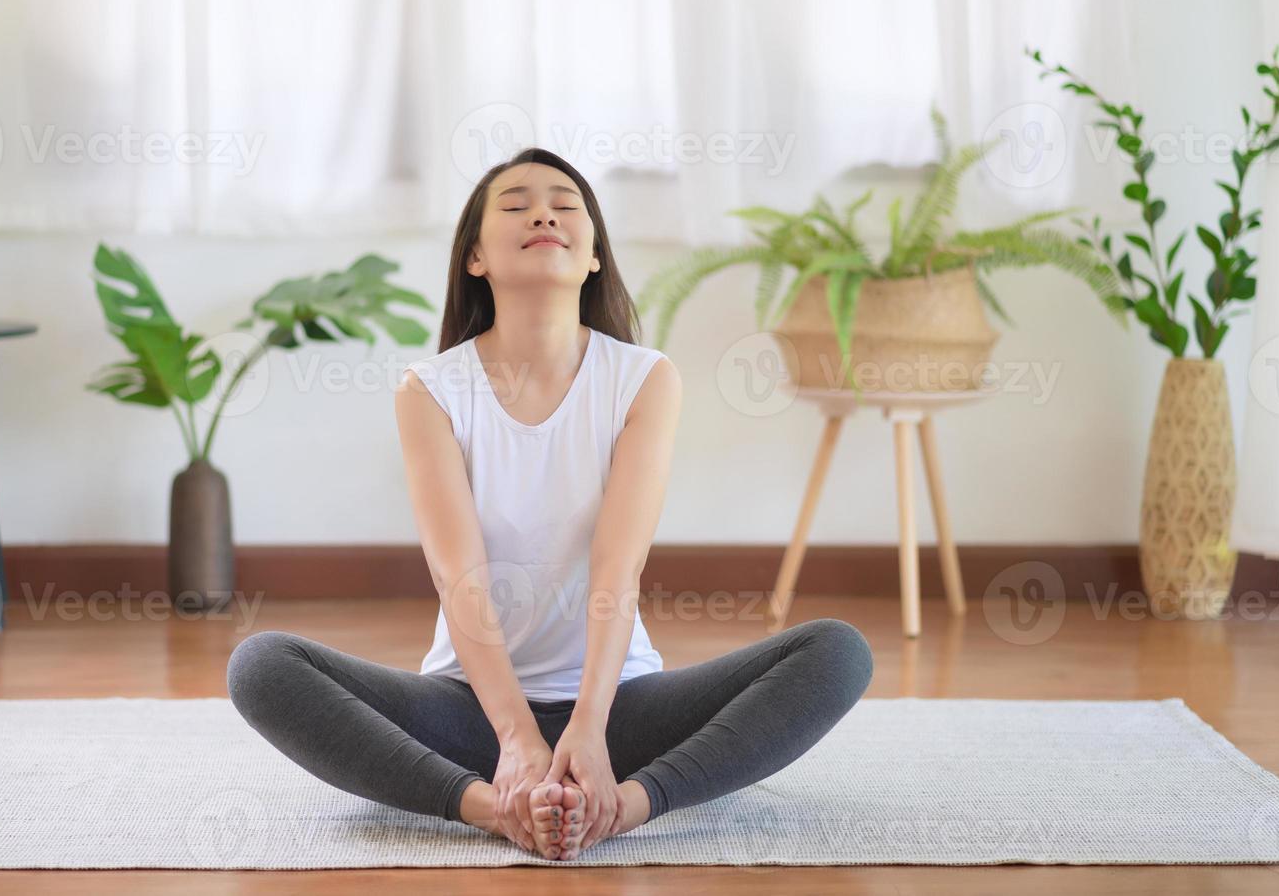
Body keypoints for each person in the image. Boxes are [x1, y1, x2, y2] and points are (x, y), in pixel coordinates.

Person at [226, 148, 874, 861]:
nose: (544, 213)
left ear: (594, 254)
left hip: (619, 706)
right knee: (261, 665)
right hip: (469, 710)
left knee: (838, 652)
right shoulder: (431, 389)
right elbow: (459, 575)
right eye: (515, 205)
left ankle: (627, 805)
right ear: (475, 257)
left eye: (566, 205)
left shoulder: (643, 379)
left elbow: (615, 569)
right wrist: (516, 741)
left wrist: (589, 731)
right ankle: (492, 808)